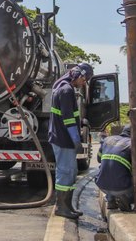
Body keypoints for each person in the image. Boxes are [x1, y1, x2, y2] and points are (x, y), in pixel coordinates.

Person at [48, 62, 93, 219]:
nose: (84, 83)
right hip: (63, 138)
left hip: (62, 137)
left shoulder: (63, 87)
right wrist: (76, 140)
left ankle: (68, 205)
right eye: (84, 79)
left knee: (71, 171)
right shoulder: (66, 90)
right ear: (79, 75)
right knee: (66, 172)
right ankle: (61, 207)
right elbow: (68, 120)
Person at [95, 124, 133, 211]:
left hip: (102, 185)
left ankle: (111, 199)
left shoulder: (107, 139)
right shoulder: (132, 143)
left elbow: (99, 159)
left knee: (108, 167)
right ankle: (126, 197)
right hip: (122, 187)